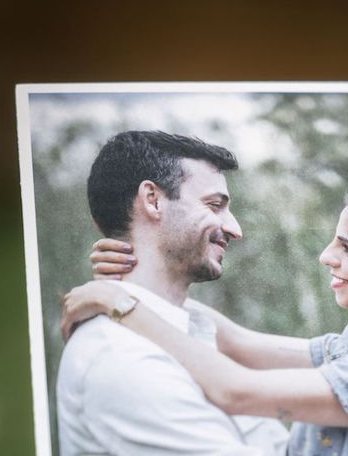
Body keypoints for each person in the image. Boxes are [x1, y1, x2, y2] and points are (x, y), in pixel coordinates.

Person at [63, 183, 348, 455]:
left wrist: (120, 305)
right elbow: (237, 343)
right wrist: (143, 271)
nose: (326, 257)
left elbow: (236, 390)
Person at [56, 130, 289, 456]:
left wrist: (121, 300)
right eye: (214, 205)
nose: (235, 229)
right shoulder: (125, 361)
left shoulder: (186, 331)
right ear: (152, 199)